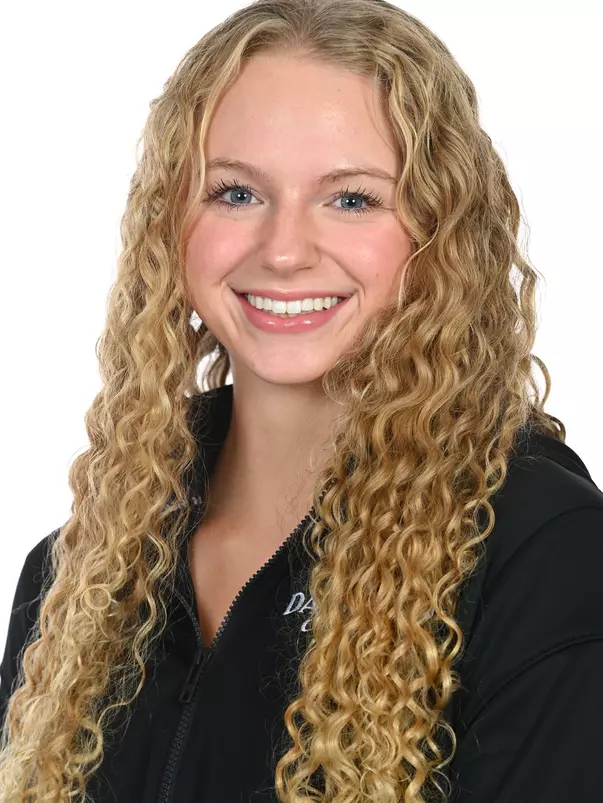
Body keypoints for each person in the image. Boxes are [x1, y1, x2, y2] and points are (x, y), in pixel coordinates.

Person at [1, 0, 602, 800]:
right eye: (235, 193)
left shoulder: (538, 551)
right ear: (170, 222)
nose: (283, 250)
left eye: (350, 198)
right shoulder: (77, 574)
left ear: (439, 233)